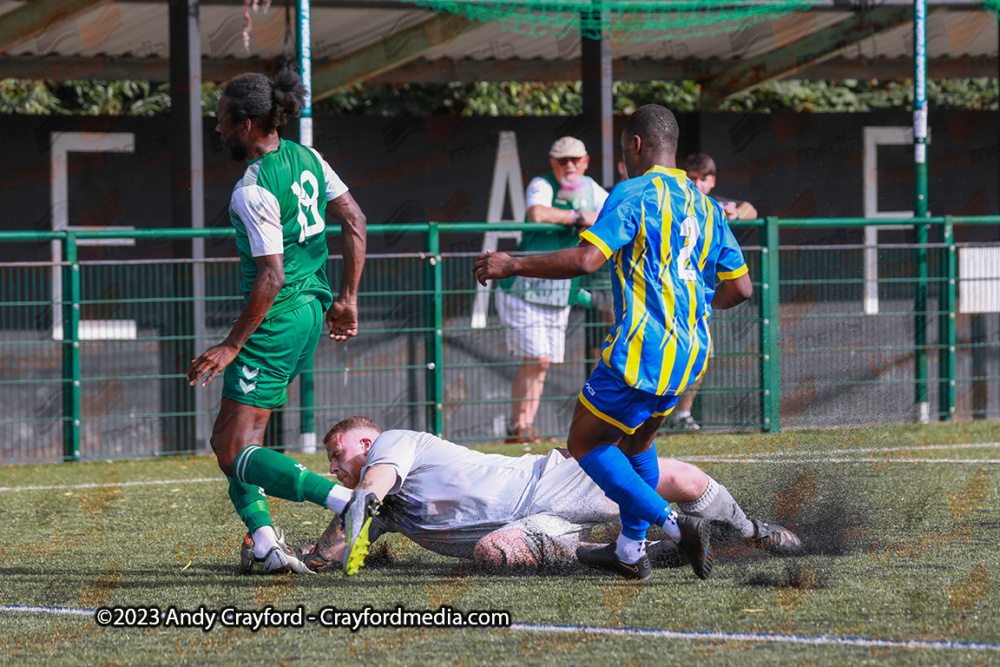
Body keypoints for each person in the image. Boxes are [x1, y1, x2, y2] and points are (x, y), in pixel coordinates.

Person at [474, 105, 754, 580]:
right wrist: (691, 303)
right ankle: (629, 551)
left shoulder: (634, 193)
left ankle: (675, 525)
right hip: (692, 352)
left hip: (644, 348)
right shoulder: (706, 205)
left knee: (585, 441)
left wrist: (511, 263)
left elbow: (587, 260)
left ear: (636, 145)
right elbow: (740, 289)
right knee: (639, 443)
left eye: (625, 149)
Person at [186, 69, 372, 576]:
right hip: (310, 310)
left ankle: (344, 501)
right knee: (242, 441)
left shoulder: (251, 188)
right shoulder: (308, 157)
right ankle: (265, 544)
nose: (218, 127)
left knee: (230, 447)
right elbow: (354, 220)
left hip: (276, 319)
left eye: (223, 118)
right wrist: (348, 299)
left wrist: (230, 344)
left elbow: (271, 274)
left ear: (245, 124)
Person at [281, 417, 799, 576]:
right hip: (529, 530)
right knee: (493, 553)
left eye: (339, 454)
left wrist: (354, 502)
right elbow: (337, 548)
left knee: (678, 479)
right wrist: (293, 559)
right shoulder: (379, 510)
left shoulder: (392, 449)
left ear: (367, 444)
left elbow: (369, 490)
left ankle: (753, 533)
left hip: (546, 480)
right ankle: (644, 555)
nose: (334, 468)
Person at [495, 137, 609, 444]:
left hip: (560, 292)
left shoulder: (592, 188)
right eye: (562, 161)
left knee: (540, 364)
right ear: (552, 163)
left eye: (575, 160)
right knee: (539, 359)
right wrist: (577, 218)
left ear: (585, 161)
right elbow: (538, 214)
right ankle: (520, 427)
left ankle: (521, 427)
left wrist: (591, 219)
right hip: (524, 289)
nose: (569, 166)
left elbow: (611, 217)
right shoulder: (541, 184)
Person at [669, 153, 759, 431]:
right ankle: (655, 416)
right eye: (691, 178)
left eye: (701, 179)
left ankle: (682, 415)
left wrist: (735, 213)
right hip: (670, 292)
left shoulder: (714, 206)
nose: (696, 184)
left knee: (700, 357)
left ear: (711, 181)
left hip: (701, 296)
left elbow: (750, 209)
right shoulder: (673, 201)